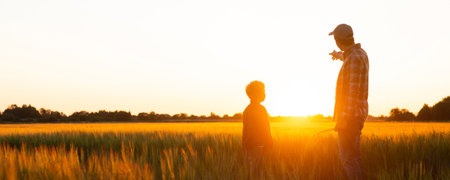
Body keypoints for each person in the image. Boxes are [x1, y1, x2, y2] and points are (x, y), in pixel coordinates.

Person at [329, 24, 369, 180]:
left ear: (338, 40)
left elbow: (353, 92)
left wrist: (343, 119)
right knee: (354, 158)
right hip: (356, 117)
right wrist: (338, 55)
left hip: (349, 118)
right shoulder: (360, 54)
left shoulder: (352, 59)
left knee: (348, 159)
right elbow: (349, 56)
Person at [242, 80, 273, 174]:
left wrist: (244, 145)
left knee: (252, 172)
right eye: (263, 91)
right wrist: (270, 142)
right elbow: (265, 128)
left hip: (249, 146)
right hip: (259, 146)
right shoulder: (261, 109)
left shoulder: (246, 110)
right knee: (258, 172)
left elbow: (245, 130)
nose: (265, 94)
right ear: (257, 94)